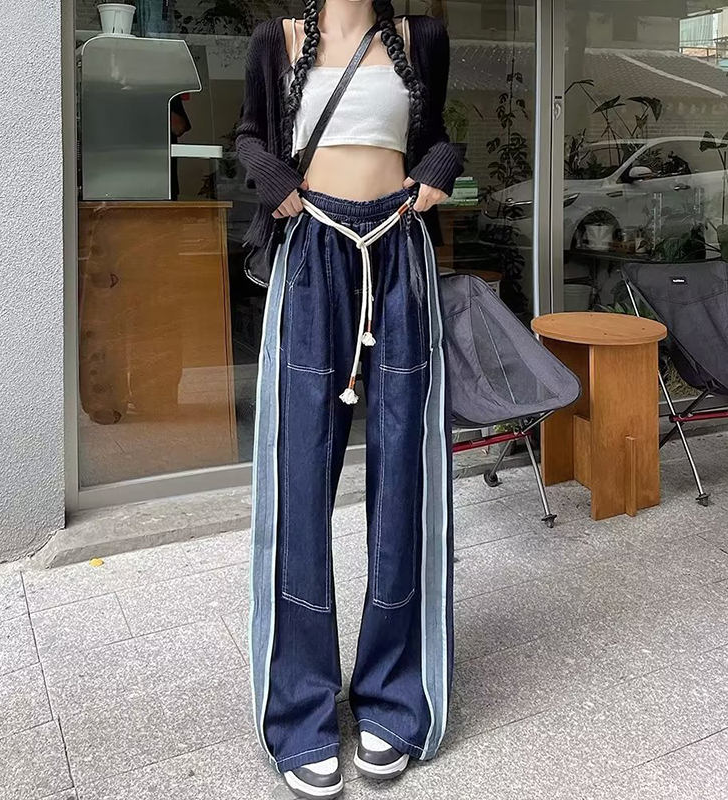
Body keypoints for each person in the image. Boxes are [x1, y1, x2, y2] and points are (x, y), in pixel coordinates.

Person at [236, 2, 461, 797]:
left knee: (405, 477)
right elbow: (250, 135)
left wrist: (436, 173)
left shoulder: (421, 37)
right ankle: (298, 709)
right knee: (298, 479)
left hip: (398, 251)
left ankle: (394, 699)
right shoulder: (278, 40)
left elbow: (436, 135)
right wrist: (277, 184)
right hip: (313, 253)